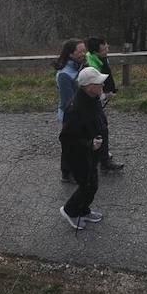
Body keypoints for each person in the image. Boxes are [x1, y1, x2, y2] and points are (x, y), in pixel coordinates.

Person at [59, 65, 108, 230]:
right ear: (89, 86)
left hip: (92, 153)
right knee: (86, 185)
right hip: (79, 156)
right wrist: (89, 144)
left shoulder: (93, 99)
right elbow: (65, 138)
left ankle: (84, 210)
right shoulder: (76, 109)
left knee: (92, 184)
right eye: (99, 83)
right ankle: (70, 211)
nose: (102, 85)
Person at [83, 37, 124, 172]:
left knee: (100, 128)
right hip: (92, 103)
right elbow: (92, 88)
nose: (108, 49)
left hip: (94, 101)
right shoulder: (92, 65)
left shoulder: (99, 58)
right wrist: (106, 94)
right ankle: (103, 161)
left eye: (107, 46)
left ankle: (101, 156)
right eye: (105, 48)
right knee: (100, 128)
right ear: (97, 51)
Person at [53, 39, 86, 181]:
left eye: (84, 50)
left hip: (82, 110)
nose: (84, 54)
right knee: (69, 144)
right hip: (70, 114)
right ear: (71, 54)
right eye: (80, 51)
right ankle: (67, 173)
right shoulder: (64, 75)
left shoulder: (81, 66)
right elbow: (68, 102)